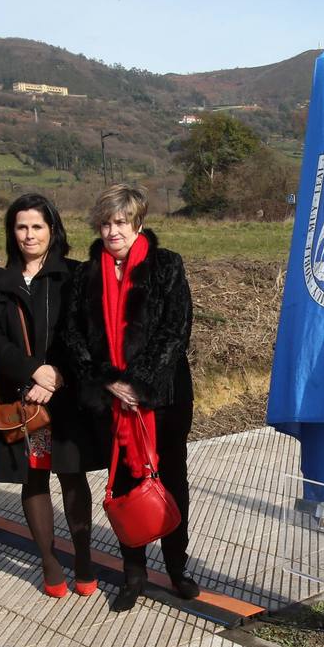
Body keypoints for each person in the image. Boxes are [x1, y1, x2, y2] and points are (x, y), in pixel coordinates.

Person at [63, 184, 199, 612]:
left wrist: (139, 383)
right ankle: (134, 574)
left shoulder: (166, 265)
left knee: (171, 481)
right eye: (105, 223)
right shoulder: (85, 275)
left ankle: (176, 568)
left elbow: (176, 329)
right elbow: (73, 335)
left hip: (164, 399)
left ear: (138, 223)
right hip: (111, 404)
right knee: (123, 485)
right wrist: (109, 381)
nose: (112, 231)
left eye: (120, 222)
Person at [0, 194, 103, 598]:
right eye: (21, 227)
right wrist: (33, 371)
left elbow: (86, 332)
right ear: (11, 232)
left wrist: (55, 377)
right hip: (21, 398)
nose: (29, 235)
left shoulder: (75, 275)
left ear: (53, 230)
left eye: (37, 226)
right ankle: (49, 562)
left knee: (71, 475)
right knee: (32, 477)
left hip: (65, 396)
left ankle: (83, 558)